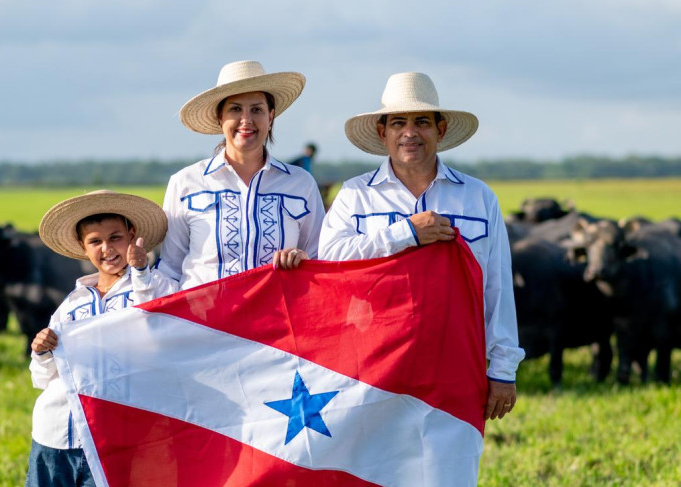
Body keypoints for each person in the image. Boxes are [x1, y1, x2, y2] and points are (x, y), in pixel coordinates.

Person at [319, 72, 525, 478]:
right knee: (376, 474)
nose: (410, 133)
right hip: (373, 367)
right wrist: (405, 233)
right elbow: (330, 262)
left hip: (455, 366)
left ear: (440, 129)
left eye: (422, 123)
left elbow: (497, 287)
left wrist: (502, 370)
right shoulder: (355, 196)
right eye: (398, 123)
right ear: (382, 132)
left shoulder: (478, 196)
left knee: (449, 475)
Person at [24, 189, 176, 486]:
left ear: (132, 235)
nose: (107, 248)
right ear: (83, 246)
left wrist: (142, 271)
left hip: (116, 440)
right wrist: (41, 352)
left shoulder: (155, 285)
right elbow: (43, 379)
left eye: (115, 237)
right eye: (95, 241)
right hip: (54, 433)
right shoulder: (71, 304)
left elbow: (157, 323)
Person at [158, 60, 325, 289]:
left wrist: (302, 260)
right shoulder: (185, 182)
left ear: (271, 116)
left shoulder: (301, 183)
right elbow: (170, 269)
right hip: (201, 323)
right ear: (220, 117)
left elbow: (321, 260)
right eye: (235, 109)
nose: (246, 120)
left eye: (256, 109)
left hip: (277, 320)